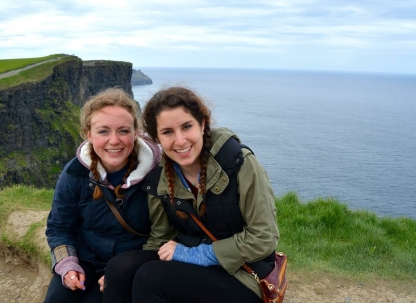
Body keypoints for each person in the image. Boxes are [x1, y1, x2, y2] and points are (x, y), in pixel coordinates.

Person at [103, 86, 280, 303]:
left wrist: (195, 255)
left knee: (151, 278)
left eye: (187, 127)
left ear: (202, 124)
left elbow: (264, 238)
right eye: (167, 132)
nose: (180, 141)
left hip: (244, 274)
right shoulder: (160, 176)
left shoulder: (238, 163)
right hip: (194, 267)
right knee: (119, 268)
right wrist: (121, 275)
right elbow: (161, 238)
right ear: (157, 137)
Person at [43, 88, 161, 303]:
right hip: (85, 257)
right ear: (89, 134)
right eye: (103, 131)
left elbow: (165, 235)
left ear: (136, 132)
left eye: (123, 131)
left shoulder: (157, 173)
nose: (114, 141)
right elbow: (60, 227)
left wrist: (122, 273)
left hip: (131, 261)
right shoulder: (75, 173)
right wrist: (68, 265)